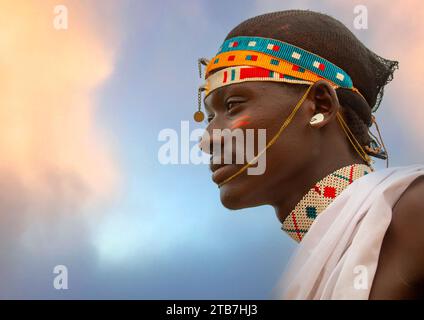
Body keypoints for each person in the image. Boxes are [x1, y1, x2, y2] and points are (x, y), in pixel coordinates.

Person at [195, 10, 424, 299]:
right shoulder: (309, 268)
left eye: (233, 105)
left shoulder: (413, 212)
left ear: (320, 105)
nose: (207, 140)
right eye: (209, 118)